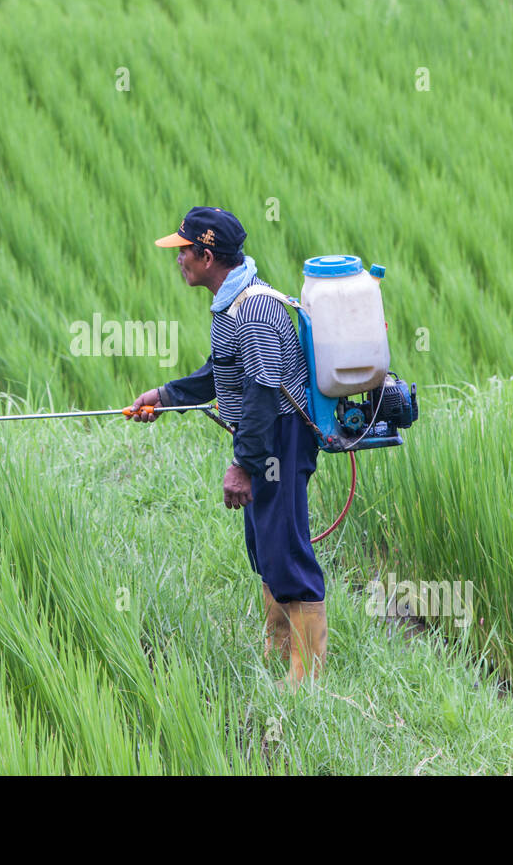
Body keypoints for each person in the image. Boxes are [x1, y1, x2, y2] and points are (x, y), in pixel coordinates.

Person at [129, 206, 327, 689]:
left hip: (279, 437)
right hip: (266, 437)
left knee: (284, 546)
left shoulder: (253, 309)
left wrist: (243, 464)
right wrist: (166, 396)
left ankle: (308, 675)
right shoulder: (231, 302)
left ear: (207, 253)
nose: (178, 261)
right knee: (263, 546)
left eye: (184, 252)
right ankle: (279, 648)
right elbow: (220, 371)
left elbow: (262, 388)